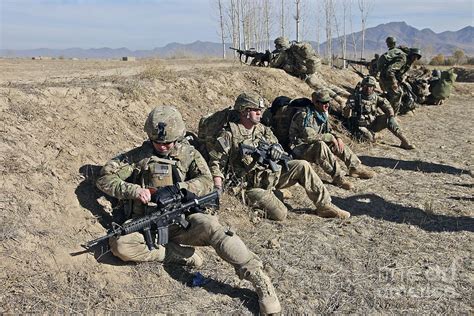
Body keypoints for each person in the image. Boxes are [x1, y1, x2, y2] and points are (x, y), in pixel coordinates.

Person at [96, 105, 281, 314]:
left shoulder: (188, 154)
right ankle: (178, 255)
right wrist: (134, 190)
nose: (163, 147)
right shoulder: (137, 157)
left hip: (182, 220)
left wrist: (179, 189)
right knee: (120, 244)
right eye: (158, 142)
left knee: (215, 228)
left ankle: (259, 280)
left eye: (168, 142)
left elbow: (206, 181)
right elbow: (105, 178)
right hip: (146, 222)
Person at [209, 91, 350, 220]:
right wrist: (218, 187)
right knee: (281, 214)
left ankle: (324, 205)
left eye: (260, 110)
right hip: (249, 186)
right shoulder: (229, 134)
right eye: (256, 110)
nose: (260, 113)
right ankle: (260, 200)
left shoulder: (262, 129)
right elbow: (216, 163)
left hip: (268, 176)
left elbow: (276, 144)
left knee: (302, 166)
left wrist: (276, 149)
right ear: (244, 111)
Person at [288, 89, 375, 191]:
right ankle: (338, 178)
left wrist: (337, 138)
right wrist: (330, 137)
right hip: (299, 148)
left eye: (328, 102)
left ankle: (354, 168)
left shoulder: (322, 113)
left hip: (310, 145)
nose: (327, 105)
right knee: (321, 145)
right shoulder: (305, 116)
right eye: (324, 102)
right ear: (316, 103)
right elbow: (308, 137)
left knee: (337, 143)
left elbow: (328, 130)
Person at [269, 36, 349, 109]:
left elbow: (274, 64)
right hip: (312, 69)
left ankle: (340, 100)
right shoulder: (295, 47)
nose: (276, 47)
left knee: (321, 88)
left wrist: (270, 57)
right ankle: (347, 95)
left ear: (281, 45)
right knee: (327, 85)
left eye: (277, 45)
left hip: (306, 74)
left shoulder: (284, 52)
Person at [343, 76, 415, 150]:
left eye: (370, 86)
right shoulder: (355, 97)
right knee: (368, 138)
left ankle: (404, 141)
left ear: (374, 87)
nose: (368, 88)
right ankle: (376, 136)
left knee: (389, 119)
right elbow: (346, 116)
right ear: (362, 86)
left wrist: (391, 117)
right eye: (366, 86)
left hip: (373, 123)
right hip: (359, 126)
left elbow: (388, 106)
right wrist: (348, 108)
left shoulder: (376, 97)